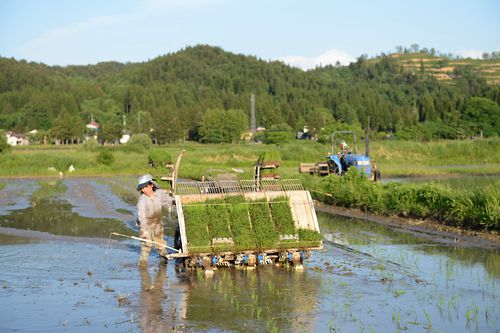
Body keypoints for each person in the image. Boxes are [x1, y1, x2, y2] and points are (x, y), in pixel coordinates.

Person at [136, 174, 175, 266]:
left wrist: (175, 202)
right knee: (146, 245)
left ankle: (164, 262)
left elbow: (168, 200)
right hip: (146, 224)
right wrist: (144, 230)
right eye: (142, 188)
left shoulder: (159, 193)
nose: (144, 190)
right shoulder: (142, 200)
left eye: (146, 187)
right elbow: (141, 216)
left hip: (157, 223)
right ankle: (142, 265)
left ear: (151, 185)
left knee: (160, 242)